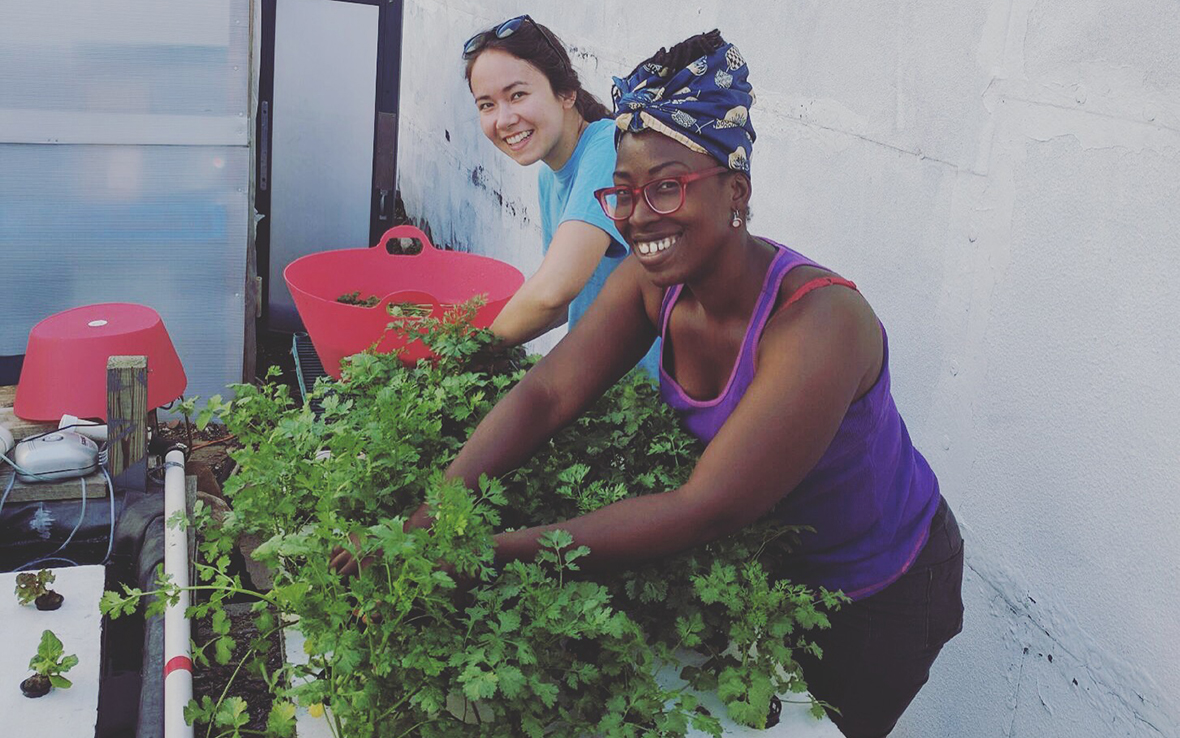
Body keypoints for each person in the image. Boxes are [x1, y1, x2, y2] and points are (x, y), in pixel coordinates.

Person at [341, 29, 963, 737]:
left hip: (880, 591)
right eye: (625, 193)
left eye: (667, 188)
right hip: (769, 568)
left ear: (736, 191)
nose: (638, 218)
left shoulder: (820, 324)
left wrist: (481, 553)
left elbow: (704, 506)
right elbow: (548, 393)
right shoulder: (654, 283)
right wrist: (436, 513)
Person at [462, 14, 660, 375]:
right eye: (486, 104)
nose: (503, 119)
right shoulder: (548, 176)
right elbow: (562, 302)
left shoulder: (610, 148)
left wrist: (463, 351)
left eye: (517, 95)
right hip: (600, 380)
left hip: (649, 392)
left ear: (567, 93)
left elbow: (554, 291)